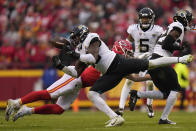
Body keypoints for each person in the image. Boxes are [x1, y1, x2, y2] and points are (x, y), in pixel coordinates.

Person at [62, 24, 193, 127]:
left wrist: (75, 55)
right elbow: (75, 73)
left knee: (151, 64)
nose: (74, 40)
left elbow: (92, 57)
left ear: (83, 34)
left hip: (119, 63)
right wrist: (61, 67)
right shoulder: (81, 50)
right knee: (92, 94)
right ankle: (115, 117)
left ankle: (179, 59)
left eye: (76, 37)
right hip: (111, 73)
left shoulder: (92, 38)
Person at [5, 39, 151, 123]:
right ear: (120, 49)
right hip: (75, 77)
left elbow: (134, 77)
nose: (130, 55)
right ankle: (16, 102)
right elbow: (86, 57)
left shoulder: (118, 65)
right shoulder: (107, 57)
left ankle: (27, 111)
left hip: (79, 84)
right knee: (49, 94)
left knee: (59, 110)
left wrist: (152, 76)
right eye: (128, 52)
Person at [129, 9, 195, 125]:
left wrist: (178, 47)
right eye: (189, 20)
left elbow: (166, 43)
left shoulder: (173, 26)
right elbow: (166, 44)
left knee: (165, 93)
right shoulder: (178, 26)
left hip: (154, 60)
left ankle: (137, 94)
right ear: (184, 19)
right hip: (161, 60)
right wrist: (180, 48)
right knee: (175, 89)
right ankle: (164, 118)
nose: (190, 23)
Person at [116, 7, 163, 117]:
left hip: (150, 59)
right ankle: (121, 108)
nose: (145, 20)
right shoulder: (133, 29)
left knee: (150, 83)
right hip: (136, 58)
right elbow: (127, 43)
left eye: (147, 18)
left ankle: (149, 105)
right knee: (128, 81)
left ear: (151, 19)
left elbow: (161, 45)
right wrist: (127, 52)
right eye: (143, 18)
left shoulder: (157, 30)